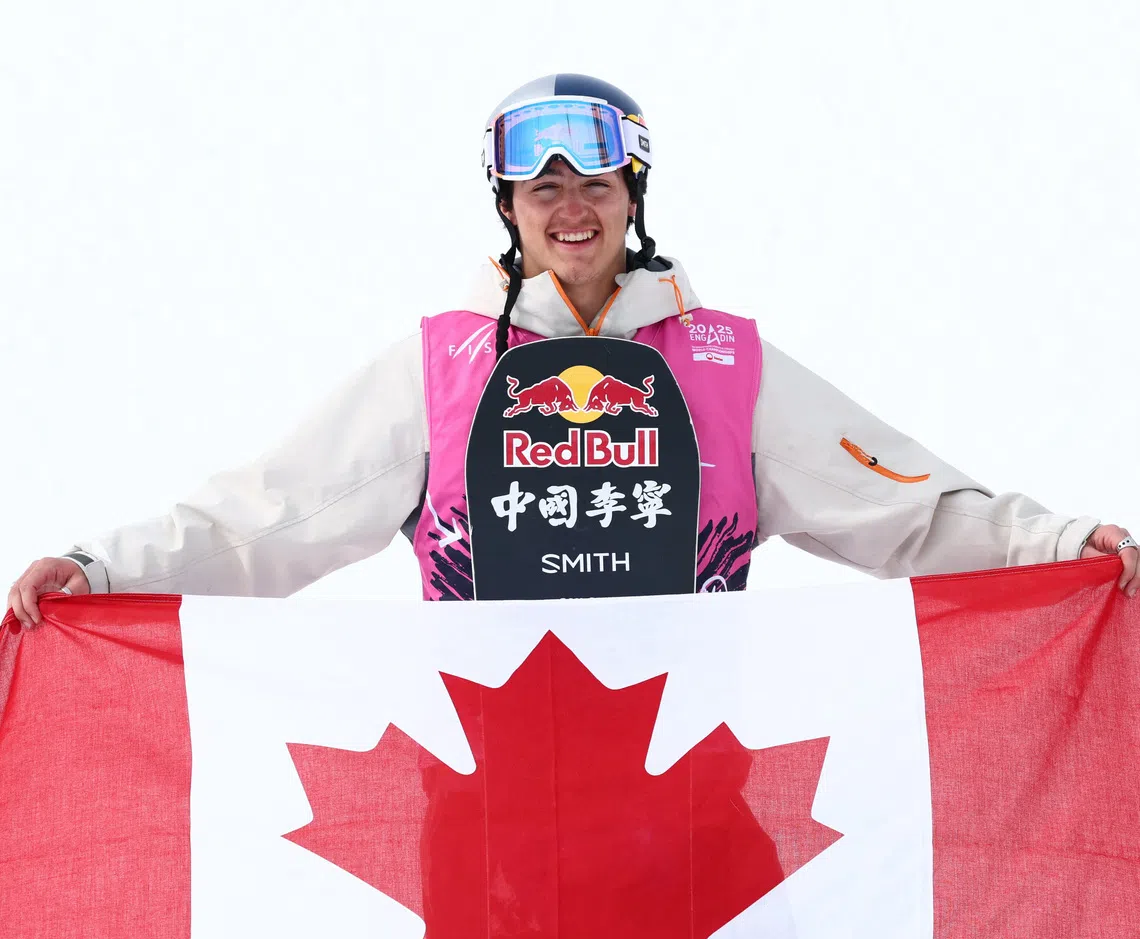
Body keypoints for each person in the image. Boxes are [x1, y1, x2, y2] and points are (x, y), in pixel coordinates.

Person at [8, 73, 1138, 626]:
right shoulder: (445, 363)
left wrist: (1057, 543)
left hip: (691, 758)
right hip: (488, 769)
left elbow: (899, 503)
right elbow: (268, 519)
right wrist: (104, 574)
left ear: (629, 194)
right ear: (508, 207)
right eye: (539, 185)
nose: (570, 208)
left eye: (593, 181)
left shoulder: (719, 361)